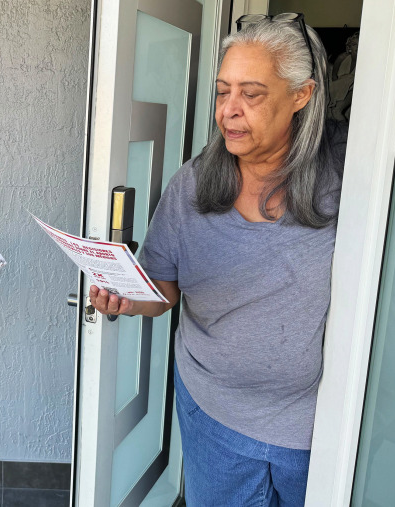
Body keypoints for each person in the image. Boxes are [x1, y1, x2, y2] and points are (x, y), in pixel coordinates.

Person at [90, 14, 346, 507]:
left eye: (251, 94)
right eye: (222, 91)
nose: (229, 111)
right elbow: (162, 290)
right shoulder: (192, 183)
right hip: (214, 416)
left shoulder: (349, 175)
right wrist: (123, 299)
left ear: (301, 95)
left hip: (316, 428)